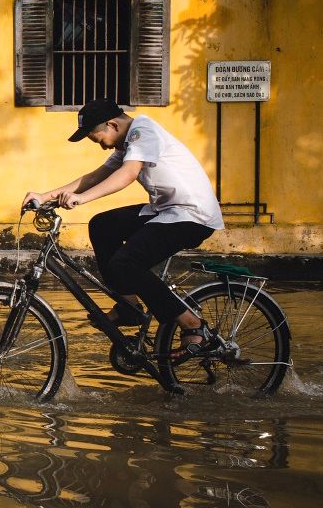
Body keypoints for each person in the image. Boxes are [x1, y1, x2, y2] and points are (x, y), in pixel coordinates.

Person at [21, 99, 223, 351]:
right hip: (167, 210)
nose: (103, 147)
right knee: (102, 226)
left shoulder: (143, 131)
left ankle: (192, 325)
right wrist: (46, 196)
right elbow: (95, 176)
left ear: (113, 124)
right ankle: (129, 307)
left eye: (98, 140)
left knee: (126, 264)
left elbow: (127, 174)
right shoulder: (128, 143)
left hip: (192, 215)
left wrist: (82, 199)